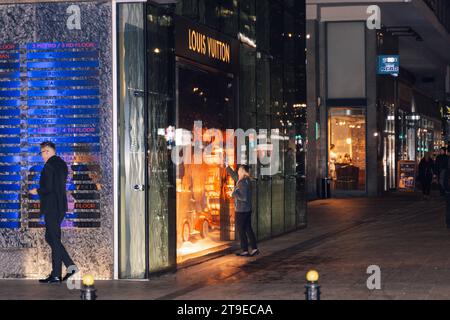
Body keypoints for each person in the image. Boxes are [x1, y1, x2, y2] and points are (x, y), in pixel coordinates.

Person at [29, 141, 77, 283]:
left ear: (48, 151)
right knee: (50, 238)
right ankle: (70, 266)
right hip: (60, 206)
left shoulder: (49, 166)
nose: (42, 156)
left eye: (42, 152)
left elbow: (48, 188)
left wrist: (36, 190)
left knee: (54, 240)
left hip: (52, 207)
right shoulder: (62, 164)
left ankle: (56, 275)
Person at [226, 164, 259, 257]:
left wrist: (233, 193)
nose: (238, 171)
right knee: (248, 229)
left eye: (240, 169)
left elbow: (243, 197)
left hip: (241, 210)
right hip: (246, 209)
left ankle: (245, 250)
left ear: (244, 172)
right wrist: (227, 166)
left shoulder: (242, 182)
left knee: (241, 230)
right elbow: (234, 176)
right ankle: (254, 248)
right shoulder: (245, 180)